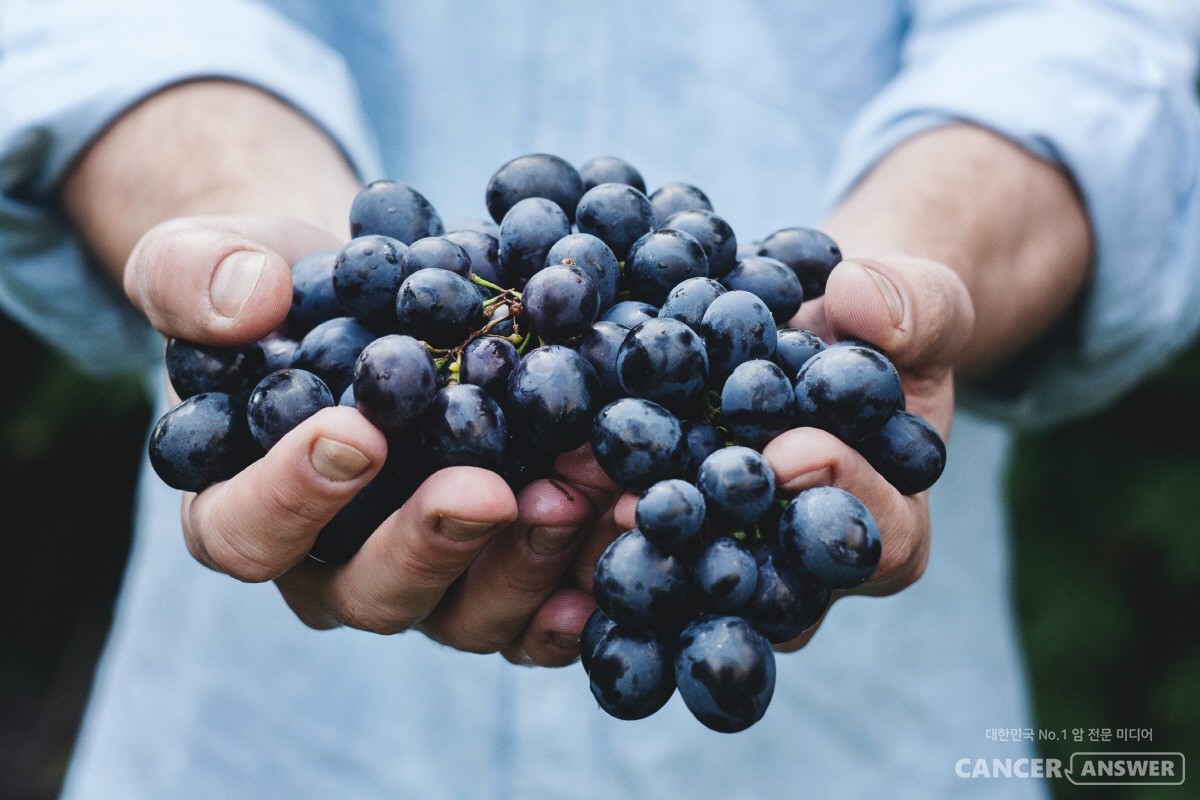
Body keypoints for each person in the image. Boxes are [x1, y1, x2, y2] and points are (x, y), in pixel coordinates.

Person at [3, 2, 1198, 797]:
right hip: (266, 741)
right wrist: (241, 227)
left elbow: (1096, 40)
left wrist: (907, 270)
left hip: (855, 740)